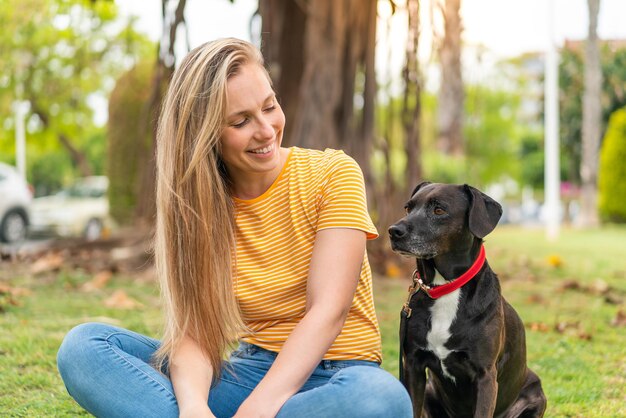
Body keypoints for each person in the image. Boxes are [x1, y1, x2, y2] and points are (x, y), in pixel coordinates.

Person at [57, 38, 412, 418]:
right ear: (205, 135)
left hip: (337, 380)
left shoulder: (333, 174)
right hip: (247, 375)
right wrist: (193, 407)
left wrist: (257, 410)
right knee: (84, 348)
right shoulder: (198, 209)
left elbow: (328, 311)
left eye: (269, 106)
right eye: (241, 121)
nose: (266, 130)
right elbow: (194, 334)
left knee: (381, 398)